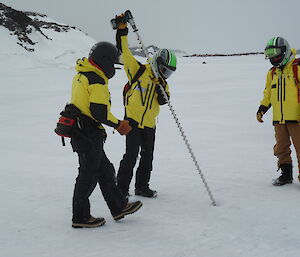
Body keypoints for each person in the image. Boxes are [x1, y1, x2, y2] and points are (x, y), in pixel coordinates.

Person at [68, 41, 142, 228]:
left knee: (106, 171)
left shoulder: (81, 75)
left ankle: (119, 206)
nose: (113, 68)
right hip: (88, 133)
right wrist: (119, 124)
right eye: (112, 63)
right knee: (88, 176)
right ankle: (80, 217)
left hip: (81, 131)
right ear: (105, 61)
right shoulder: (97, 80)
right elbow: (99, 112)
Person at [114, 16, 177, 198]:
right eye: (164, 70)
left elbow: (165, 101)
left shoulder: (163, 83)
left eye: (169, 73)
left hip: (149, 124)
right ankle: (121, 190)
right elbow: (124, 52)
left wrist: (160, 87)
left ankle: (142, 187)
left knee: (147, 158)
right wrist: (122, 31)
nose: (166, 75)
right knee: (130, 157)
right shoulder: (138, 70)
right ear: (157, 62)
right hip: (132, 121)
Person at [256, 36, 300, 186]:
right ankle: (286, 174)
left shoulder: (297, 67)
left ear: (285, 50)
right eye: (270, 54)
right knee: (281, 148)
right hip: (279, 119)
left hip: (296, 117)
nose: (273, 57)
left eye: (276, 52)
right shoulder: (272, 73)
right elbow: (268, 93)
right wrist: (262, 109)